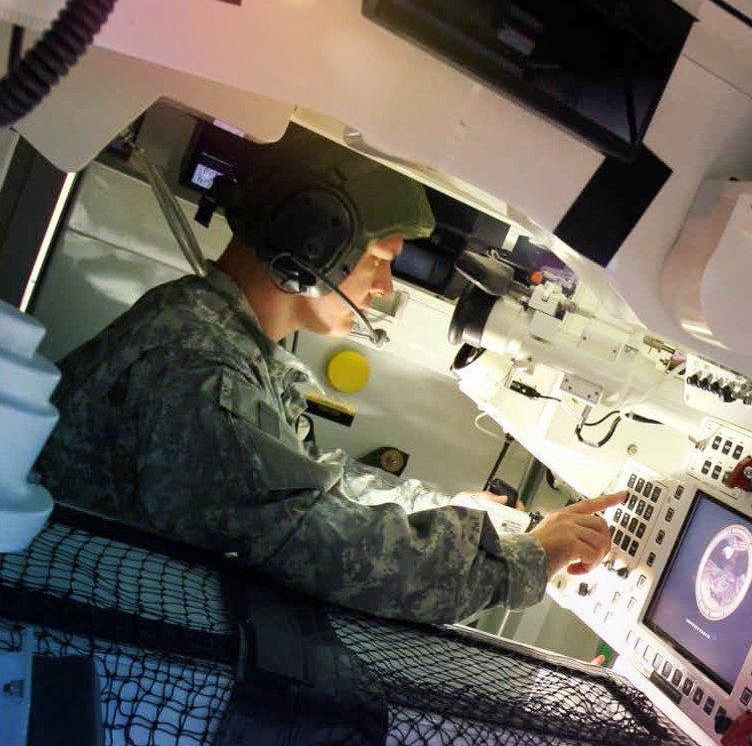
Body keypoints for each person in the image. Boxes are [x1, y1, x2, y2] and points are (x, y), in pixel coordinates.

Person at [36, 125, 621, 624]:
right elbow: (332, 552)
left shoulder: (219, 334)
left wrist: (453, 505)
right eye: (380, 260)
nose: (385, 287)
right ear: (315, 243)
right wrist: (525, 560)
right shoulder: (204, 372)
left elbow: (316, 484)